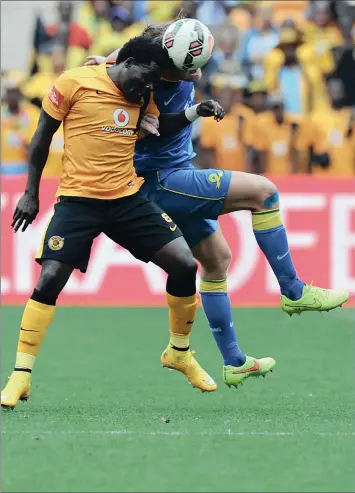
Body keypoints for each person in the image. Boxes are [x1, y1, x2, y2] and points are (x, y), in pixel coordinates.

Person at [85, 22, 349, 391]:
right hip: (164, 178)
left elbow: (111, 62)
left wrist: (99, 63)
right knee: (264, 192)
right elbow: (150, 122)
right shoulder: (152, 83)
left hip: (166, 175)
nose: (197, 70)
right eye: (190, 66)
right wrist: (179, 115)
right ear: (170, 66)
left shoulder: (141, 56)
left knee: (216, 262)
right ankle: (293, 291)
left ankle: (235, 362)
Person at [1, 35, 227, 410]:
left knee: (185, 264)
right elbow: (41, 138)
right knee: (50, 278)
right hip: (78, 201)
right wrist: (30, 192)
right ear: (128, 61)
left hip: (126, 199)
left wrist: (193, 112)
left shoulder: (142, 93)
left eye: (154, 83)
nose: (148, 88)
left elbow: (158, 125)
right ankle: (20, 376)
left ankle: (179, 352)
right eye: (147, 78)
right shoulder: (75, 82)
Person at [295, 77, 355, 176]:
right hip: (323, 176)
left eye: (339, 91)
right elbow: (304, 147)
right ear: (327, 93)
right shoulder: (315, 117)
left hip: (347, 175)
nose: (336, 95)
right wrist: (316, 157)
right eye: (333, 91)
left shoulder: (350, 116)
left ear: (343, 93)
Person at [1, 72, 40, 176]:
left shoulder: (32, 113)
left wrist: (21, 135)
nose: (12, 96)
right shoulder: (2, 113)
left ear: (21, 93)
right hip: (3, 168)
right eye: (9, 91)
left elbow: (36, 144)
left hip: (25, 167)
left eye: (15, 91)